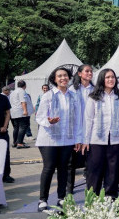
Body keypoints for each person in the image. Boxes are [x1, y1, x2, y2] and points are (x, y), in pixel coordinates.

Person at [34, 67, 83, 212]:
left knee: (64, 169)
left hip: (67, 140)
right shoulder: (48, 95)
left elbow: (78, 120)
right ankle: (43, 199)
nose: (63, 78)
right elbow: (39, 116)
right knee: (49, 168)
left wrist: (78, 139)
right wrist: (49, 121)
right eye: (59, 76)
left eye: (66, 75)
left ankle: (61, 197)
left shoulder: (74, 96)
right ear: (54, 79)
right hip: (49, 139)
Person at [82, 69, 119, 198]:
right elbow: (88, 119)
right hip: (97, 139)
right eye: (107, 77)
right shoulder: (93, 97)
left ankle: (110, 195)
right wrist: (85, 140)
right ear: (102, 79)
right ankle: (93, 196)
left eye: (113, 77)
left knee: (113, 169)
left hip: (116, 138)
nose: (111, 80)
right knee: (95, 169)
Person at [68, 64, 94, 195]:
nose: (90, 73)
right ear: (79, 74)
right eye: (87, 71)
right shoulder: (72, 90)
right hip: (75, 129)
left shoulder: (95, 89)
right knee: (71, 162)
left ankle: (91, 188)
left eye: (91, 71)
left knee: (90, 161)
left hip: (91, 130)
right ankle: (69, 188)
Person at [10, 80, 33, 148]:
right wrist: (25, 111)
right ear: (25, 85)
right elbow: (23, 101)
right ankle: (20, 143)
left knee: (16, 127)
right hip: (21, 112)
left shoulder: (13, 92)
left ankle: (15, 142)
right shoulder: (22, 91)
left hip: (14, 112)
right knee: (23, 127)